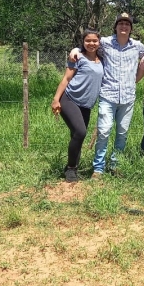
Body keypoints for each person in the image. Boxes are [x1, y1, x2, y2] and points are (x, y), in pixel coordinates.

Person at [68, 13, 144, 179]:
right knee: (104, 131)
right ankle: (98, 168)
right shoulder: (104, 43)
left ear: (131, 28)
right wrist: (75, 49)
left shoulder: (137, 46)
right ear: (116, 26)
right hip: (108, 95)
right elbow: (88, 45)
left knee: (122, 132)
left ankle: (115, 164)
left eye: (127, 24)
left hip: (127, 98)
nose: (124, 26)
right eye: (121, 23)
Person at [51, 29, 104, 182]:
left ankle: (73, 166)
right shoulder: (77, 57)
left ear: (99, 42)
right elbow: (66, 79)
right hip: (69, 99)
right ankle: (71, 169)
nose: (91, 43)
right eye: (88, 41)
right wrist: (56, 99)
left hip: (86, 106)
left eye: (95, 41)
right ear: (83, 42)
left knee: (77, 136)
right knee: (80, 132)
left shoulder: (102, 59)